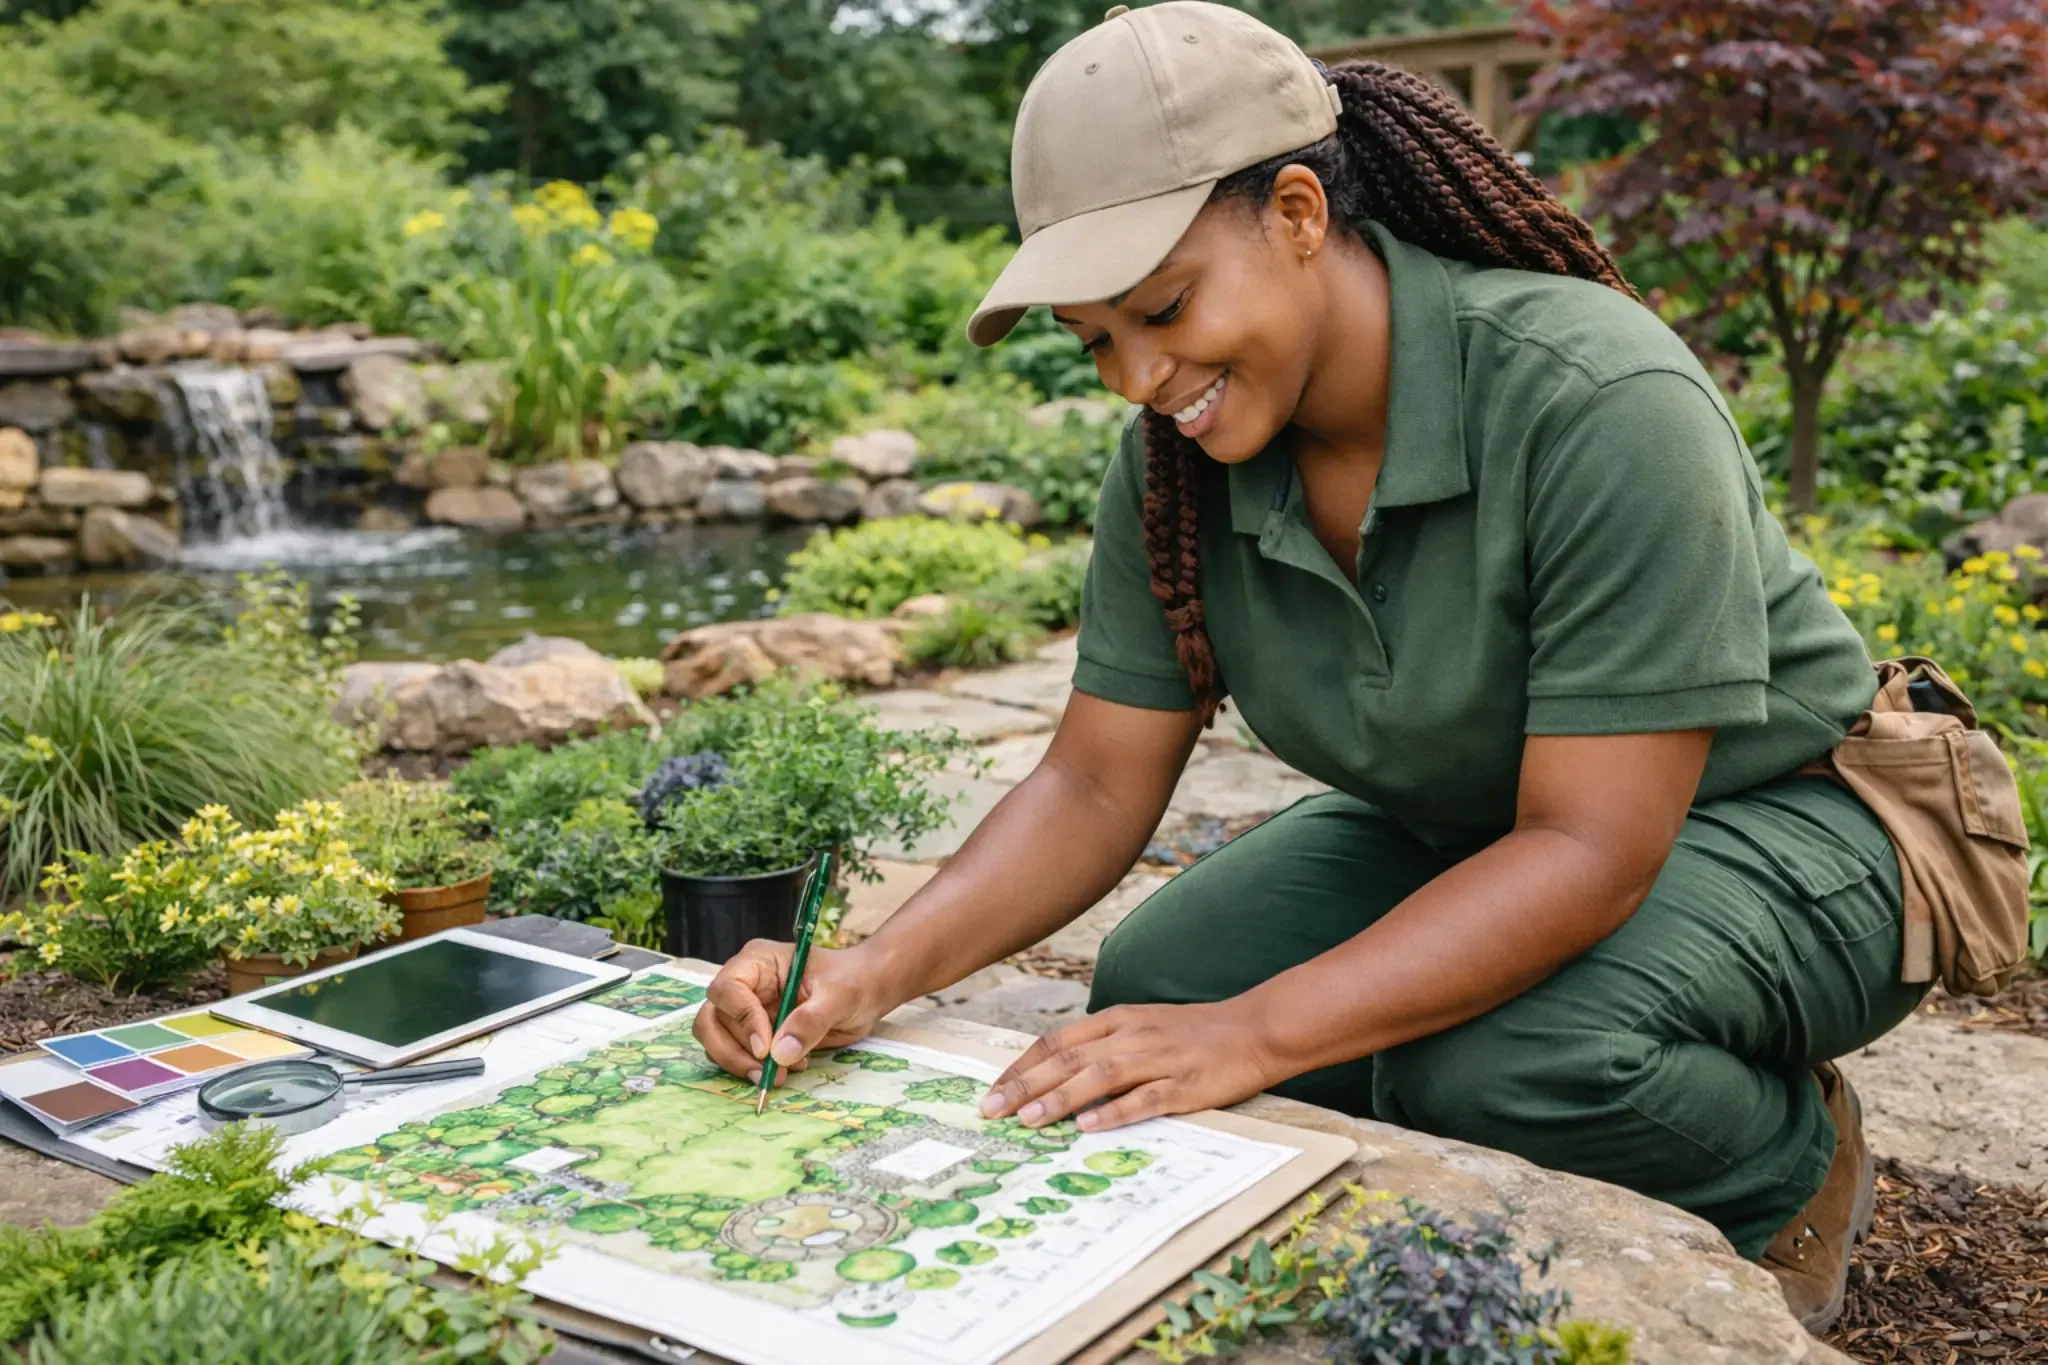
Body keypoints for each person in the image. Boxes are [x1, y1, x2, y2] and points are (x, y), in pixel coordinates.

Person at [697, 1, 1935, 1330]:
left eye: (1162, 308)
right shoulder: (1180, 461)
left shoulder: (1595, 398)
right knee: (1165, 987)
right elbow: (1094, 784)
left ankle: (1783, 1160)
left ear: (1297, 213)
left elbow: (1591, 847)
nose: (1139, 377)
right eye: (1096, 340)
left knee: (1506, 1064)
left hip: (1799, 824)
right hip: (1477, 823)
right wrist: (871, 972)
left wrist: (1266, 1033)